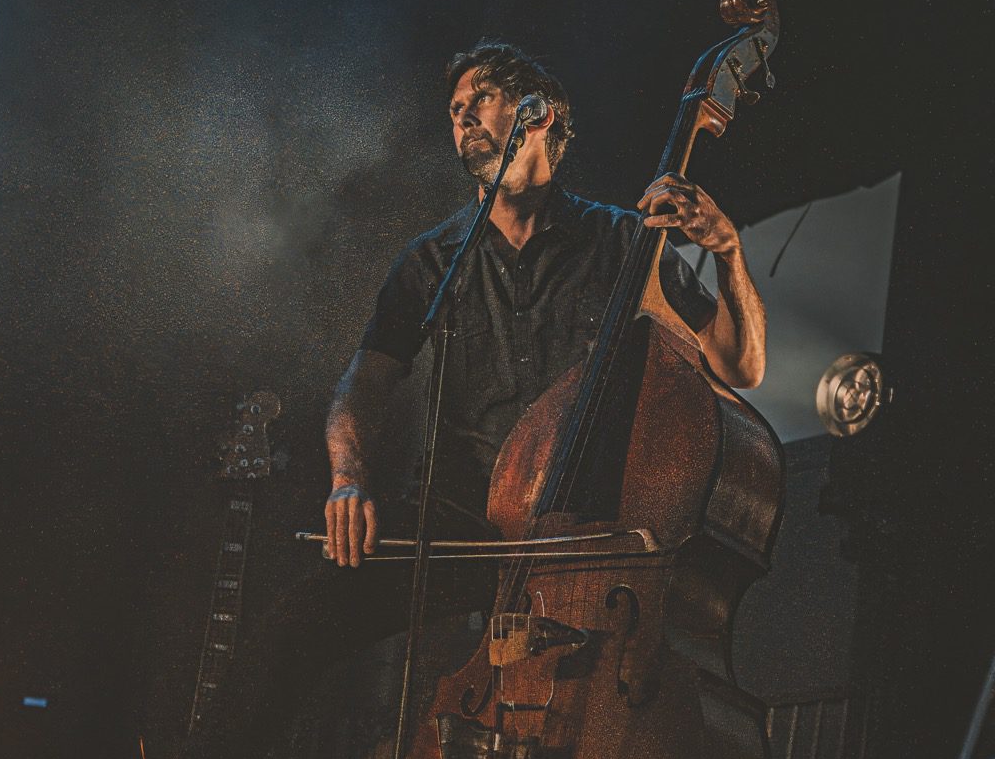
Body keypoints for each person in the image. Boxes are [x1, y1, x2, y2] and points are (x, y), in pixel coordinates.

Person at [324, 40, 766, 569]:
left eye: (480, 100)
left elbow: (741, 367)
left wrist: (728, 253)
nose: (463, 116)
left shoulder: (624, 241)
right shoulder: (430, 261)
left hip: (585, 536)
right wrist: (348, 479)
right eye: (455, 110)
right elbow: (366, 379)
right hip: (463, 532)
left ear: (537, 115)